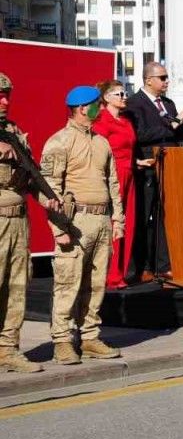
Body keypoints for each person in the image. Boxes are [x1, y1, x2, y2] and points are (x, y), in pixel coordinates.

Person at [40, 86, 125, 365]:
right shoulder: (59, 142)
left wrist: (117, 219)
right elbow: (48, 189)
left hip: (101, 220)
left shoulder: (102, 142)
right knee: (68, 284)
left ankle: (89, 337)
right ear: (80, 108)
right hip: (75, 222)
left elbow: (112, 183)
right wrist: (59, 229)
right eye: (95, 106)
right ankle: (62, 341)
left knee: (96, 284)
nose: (100, 110)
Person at [0, 73, 62, 373]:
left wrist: (47, 199)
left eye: (7, 95)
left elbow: (31, 176)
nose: (4, 100)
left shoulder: (14, 132)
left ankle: (8, 348)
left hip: (18, 222)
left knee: (17, 285)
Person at [126, 62, 183, 280]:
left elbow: (175, 135)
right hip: (147, 169)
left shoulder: (168, 104)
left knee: (165, 218)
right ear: (148, 79)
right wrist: (169, 126)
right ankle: (140, 267)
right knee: (143, 218)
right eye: (162, 77)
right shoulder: (134, 104)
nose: (166, 81)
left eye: (167, 77)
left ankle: (163, 265)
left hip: (170, 166)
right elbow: (140, 134)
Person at [92, 80, 140, 290]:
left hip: (129, 172)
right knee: (114, 221)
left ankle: (120, 271)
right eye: (119, 94)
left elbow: (128, 149)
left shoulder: (126, 121)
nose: (124, 97)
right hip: (113, 174)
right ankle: (110, 274)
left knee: (127, 222)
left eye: (124, 93)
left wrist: (137, 161)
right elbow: (98, 150)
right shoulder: (101, 120)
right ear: (107, 98)